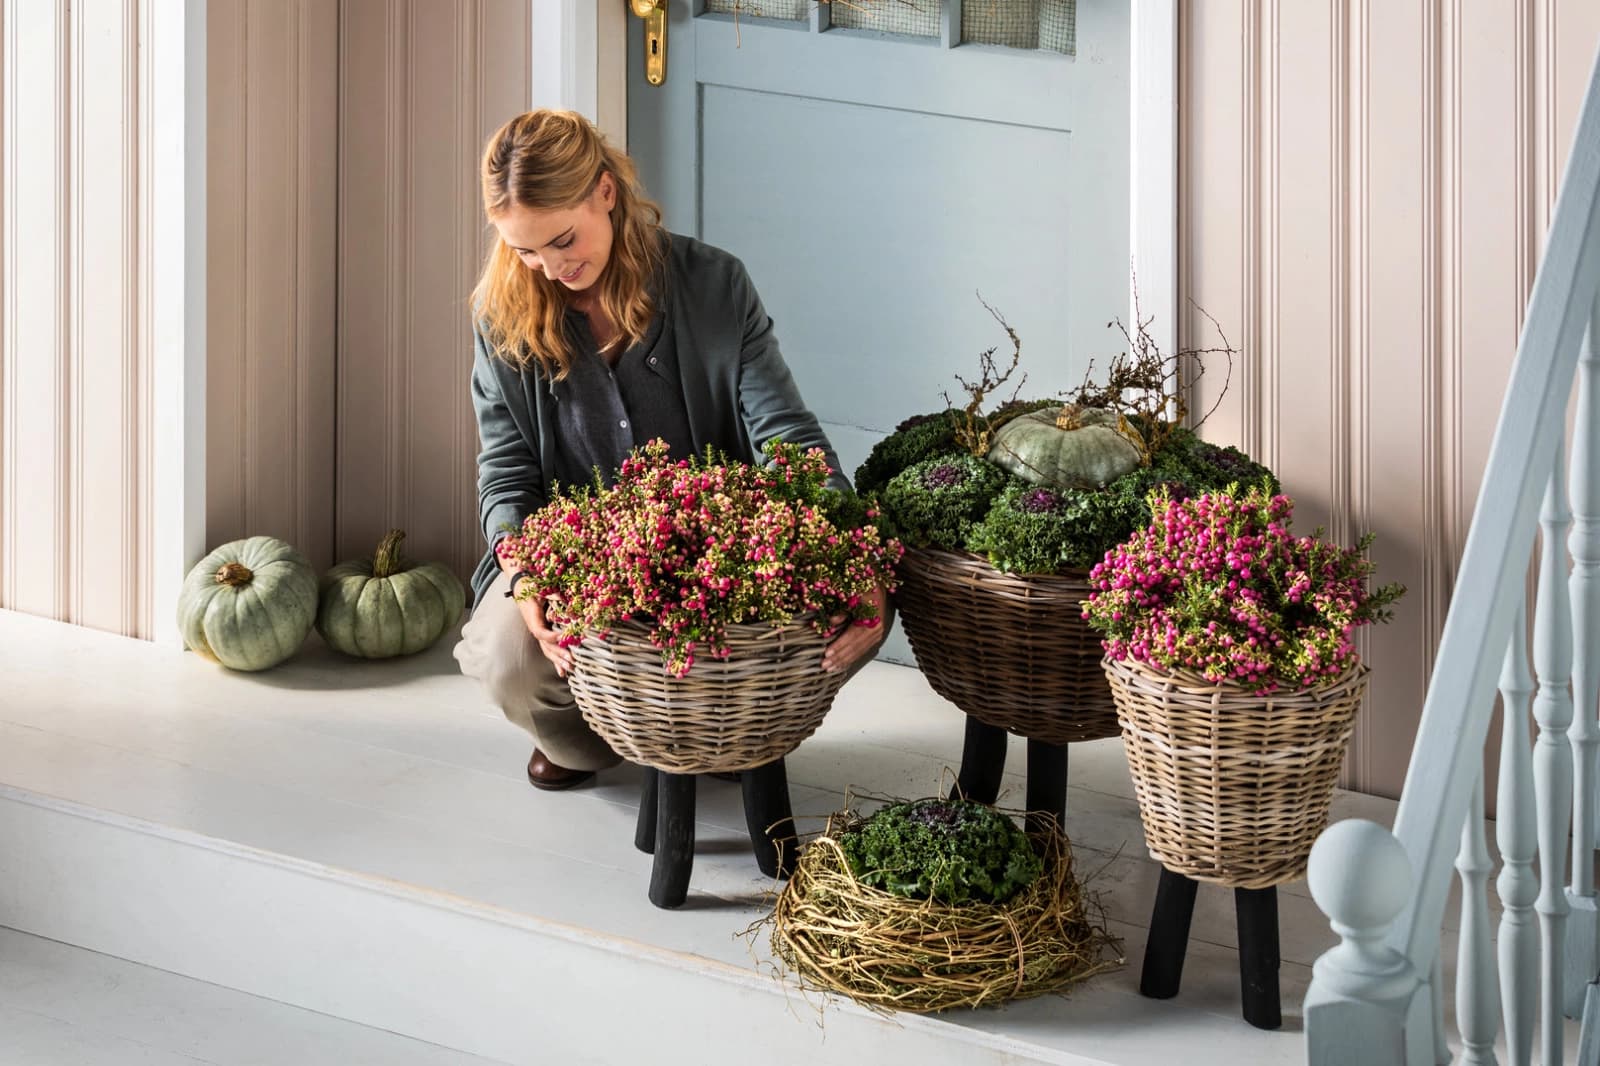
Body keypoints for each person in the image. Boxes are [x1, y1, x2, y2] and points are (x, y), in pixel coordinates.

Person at [453, 109, 891, 790]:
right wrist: (525, 577)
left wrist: (853, 558)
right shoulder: (502, 316)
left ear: (606, 191)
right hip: (579, 566)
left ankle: (721, 734)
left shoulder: (714, 286)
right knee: (512, 658)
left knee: (852, 609)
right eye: (527, 250)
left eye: (562, 239)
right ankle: (586, 739)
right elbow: (506, 476)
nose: (550, 266)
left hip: (717, 551)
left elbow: (787, 439)